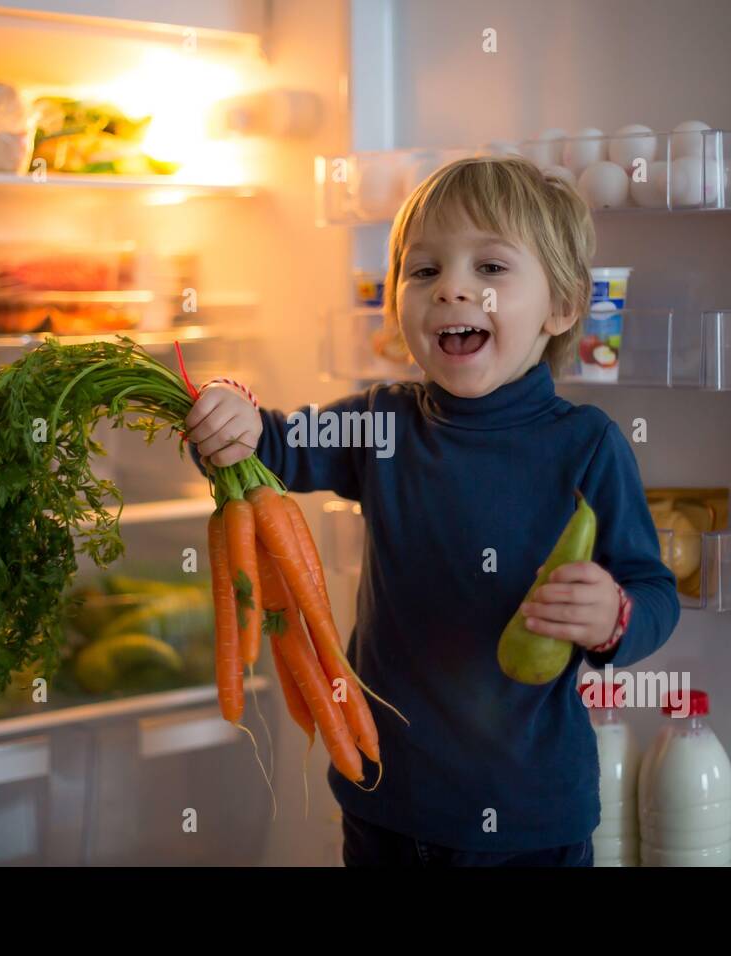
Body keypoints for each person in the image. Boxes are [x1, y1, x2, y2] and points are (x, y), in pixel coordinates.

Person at [182, 155, 680, 866]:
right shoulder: (381, 424)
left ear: (565, 305)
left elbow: (656, 591)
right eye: (423, 271)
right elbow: (274, 446)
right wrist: (230, 412)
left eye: (492, 269)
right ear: (394, 305)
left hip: (528, 813)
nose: (452, 289)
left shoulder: (587, 446)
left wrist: (614, 616)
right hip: (386, 797)